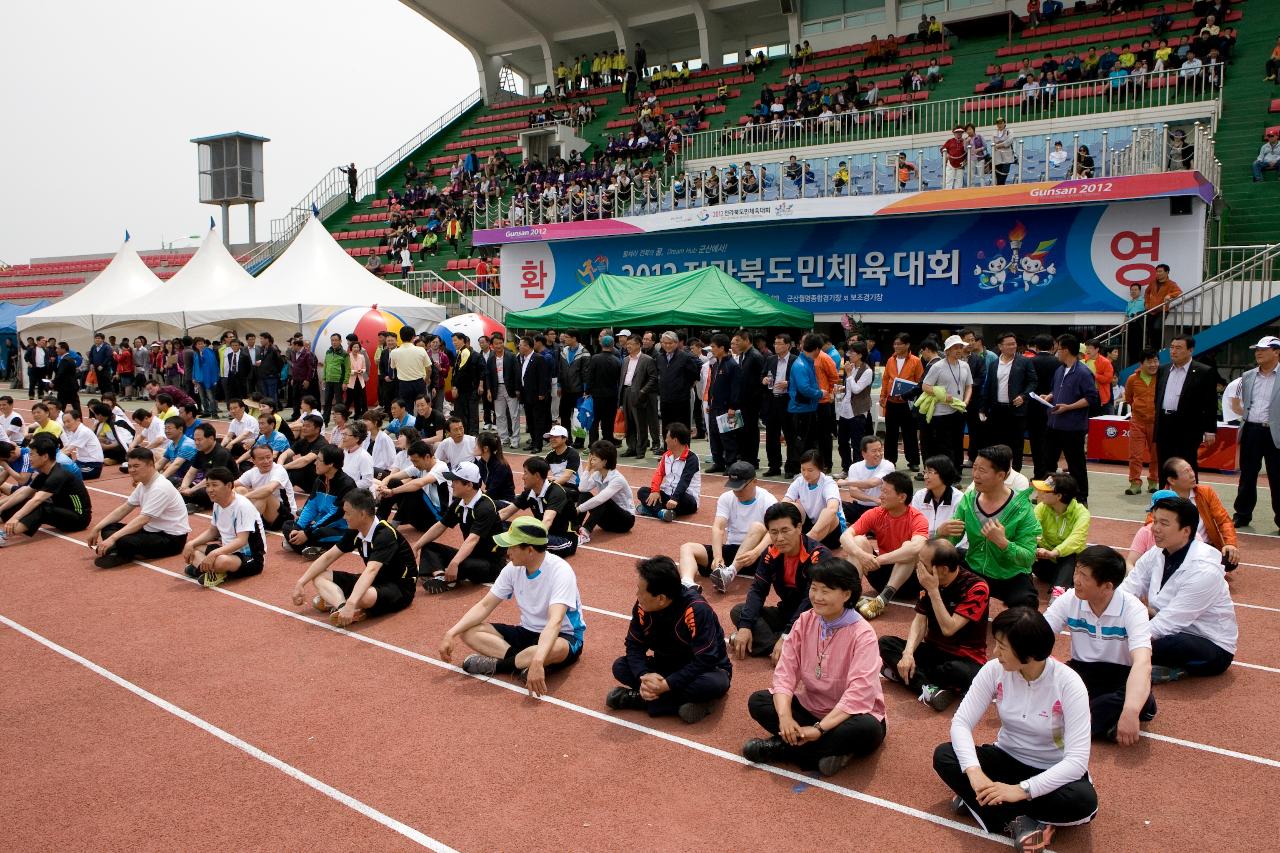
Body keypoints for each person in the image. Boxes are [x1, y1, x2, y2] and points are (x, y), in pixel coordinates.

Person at [933, 608, 1098, 851]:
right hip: (1005, 759)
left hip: (1050, 769)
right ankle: (1021, 821)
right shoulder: (993, 670)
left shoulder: (1069, 684)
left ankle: (980, 802)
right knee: (944, 755)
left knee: (1084, 802)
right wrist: (974, 773)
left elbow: (1076, 762)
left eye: (1002, 647)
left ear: (1029, 655)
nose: (995, 652)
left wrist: (1021, 791)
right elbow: (961, 723)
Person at [742, 557, 886, 777]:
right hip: (812, 709)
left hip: (850, 716)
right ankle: (826, 753)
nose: (817, 597)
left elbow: (858, 695)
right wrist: (785, 717)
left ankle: (781, 748)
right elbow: (785, 673)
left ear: (846, 594)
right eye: (814, 589)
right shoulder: (805, 621)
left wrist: (820, 729)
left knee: (867, 729)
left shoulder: (863, 634)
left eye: (826, 591)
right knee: (758, 701)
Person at [438, 516, 584, 696]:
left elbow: (555, 621)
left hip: (564, 636)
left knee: (556, 649)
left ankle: (501, 665)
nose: (507, 552)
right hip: (527, 632)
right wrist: (451, 632)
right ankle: (523, 662)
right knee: (468, 632)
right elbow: (485, 605)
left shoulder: (560, 571)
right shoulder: (512, 569)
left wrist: (537, 661)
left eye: (512, 546)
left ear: (530, 550)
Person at [1043, 545, 1156, 743]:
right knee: (1048, 686)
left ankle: (1078, 726)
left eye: (1084, 576)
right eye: (1076, 571)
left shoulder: (1133, 609)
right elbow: (1039, 634)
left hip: (1121, 676)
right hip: (1083, 671)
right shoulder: (1070, 599)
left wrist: (1130, 711)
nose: (1076, 579)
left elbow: (1142, 662)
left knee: (1133, 698)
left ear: (1107, 586)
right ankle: (1102, 727)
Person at [1120, 495, 1237, 681]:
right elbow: (1127, 589)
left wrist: (1119, 639)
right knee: (1126, 618)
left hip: (1208, 643)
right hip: (1166, 622)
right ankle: (1151, 662)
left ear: (1186, 531)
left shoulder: (1204, 569)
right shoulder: (1156, 553)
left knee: (1168, 644)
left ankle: (1158, 665)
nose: (1155, 529)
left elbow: (1171, 621)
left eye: (1164, 523)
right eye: (1154, 521)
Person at [608, 555, 732, 722]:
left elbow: (706, 659)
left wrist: (666, 685)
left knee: (714, 684)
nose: (637, 594)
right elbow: (634, 645)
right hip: (665, 667)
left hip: (704, 670)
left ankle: (641, 700)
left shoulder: (696, 609)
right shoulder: (642, 606)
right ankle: (682, 704)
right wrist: (643, 676)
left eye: (641, 591)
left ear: (660, 599)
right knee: (620, 667)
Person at [879, 538, 989, 711]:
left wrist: (933, 591)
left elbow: (949, 628)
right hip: (934, 652)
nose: (918, 567)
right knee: (885, 643)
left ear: (942, 569)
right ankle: (929, 688)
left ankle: (905, 676)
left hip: (965, 658)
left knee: (957, 672)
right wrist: (908, 654)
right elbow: (920, 620)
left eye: (923, 563)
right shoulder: (927, 580)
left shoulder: (976, 587)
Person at [292, 488, 417, 625]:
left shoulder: (384, 534)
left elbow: (371, 570)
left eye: (347, 513)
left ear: (362, 514)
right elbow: (328, 557)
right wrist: (301, 582)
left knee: (363, 597)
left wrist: (352, 602)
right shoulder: (355, 530)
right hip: (375, 580)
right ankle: (341, 607)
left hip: (399, 587)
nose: (344, 517)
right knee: (318, 576)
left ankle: (348, 604)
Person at [729, 502, 832, 662]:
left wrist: (787, 635)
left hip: (816, 617)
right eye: (774, 532)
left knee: (813, 626)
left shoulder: (818, 555)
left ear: (799, 527)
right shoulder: (770, 553)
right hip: (788, 612)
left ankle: (776, 643)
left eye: (785, 531)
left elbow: (810, 601)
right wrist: (745, 627)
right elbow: (758, 590)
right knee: (740, 612)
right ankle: (784, 647)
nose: (780, 538)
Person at [947, 445, 1040, 608]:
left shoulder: (1023, 509)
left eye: (982, 470)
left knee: (1026, 609)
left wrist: (1004, 543)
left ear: (1001, 475)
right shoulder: (969, 500)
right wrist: (942, 534)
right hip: (974, 567)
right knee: (938, 566)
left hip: (1010, 575)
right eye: (974, 468)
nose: (975, 475)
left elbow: (1028, 558)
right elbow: (952, 540)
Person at [840, 471, 929, 619]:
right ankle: (852, 596)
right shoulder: (876, 513)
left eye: (885, 492)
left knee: (909, 548)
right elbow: (844, 537)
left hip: (908, 584)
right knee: (858, 541)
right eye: (881, 491)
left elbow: (917, 547)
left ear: (902, 497)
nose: (880, 496)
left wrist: (878, 560)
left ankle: (882, 600)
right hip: (880, 576)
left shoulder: (917, 518)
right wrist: (862, 555)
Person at [677, 460, 773, 593]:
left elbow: (773, 532)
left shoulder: (768, 500)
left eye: (741, 487)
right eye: (734, 487)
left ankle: (730, 572)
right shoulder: (726, 498)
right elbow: (718, 527)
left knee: (758, 527)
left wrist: (755, 553)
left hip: (756, 555)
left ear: (754, 482)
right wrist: (717, 556)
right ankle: (687, 583)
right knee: (687, 547)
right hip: (732, 551)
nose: (737, 492)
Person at [85, 447, 190, 568]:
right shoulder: (144, 484)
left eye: (136, 466)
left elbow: (142, 520)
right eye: (129, 466)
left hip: (171, 539)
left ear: (151, 464)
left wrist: (113, 538)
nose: (131, 470)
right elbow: (124, 508)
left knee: (123, 540)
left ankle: (122, 554)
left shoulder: (160, 487)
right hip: (150, 531)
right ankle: (121, 551)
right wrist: (96, 528)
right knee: (108, 527)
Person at [413, 460, 507, 593]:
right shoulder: (459, 503)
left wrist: (455, 562)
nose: (451, 485)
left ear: (468, 485)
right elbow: (441, 525)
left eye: (455, 481)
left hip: (490, 563)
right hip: (471, 555)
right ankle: (441, 577)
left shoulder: (485, 507)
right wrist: (417, 546)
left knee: (461, 563)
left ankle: (446, 578)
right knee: (428, 546)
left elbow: (472, 539)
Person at [0, 435, 92, 545]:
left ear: (44, 457)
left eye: (32, 455)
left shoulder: (58, 474)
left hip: (78, 518)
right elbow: (25, 492)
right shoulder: (44, 473)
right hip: (60, 509)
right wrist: (1, 509)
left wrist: (15, 517)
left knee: (40, 507)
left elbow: (37, 500)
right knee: (16, 506)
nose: (29, 458)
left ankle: (4, 535)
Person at [1042, 334, 1098, 503]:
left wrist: (1069, 407)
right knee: (1048, 462)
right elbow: (1055, 390)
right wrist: (1049, 396)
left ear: (1065, 350)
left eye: (1058, 348)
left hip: (1072, 426)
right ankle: (1047, 493)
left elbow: (1091, 398)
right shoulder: (1060, 369)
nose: (1057, 352)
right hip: (1053, 423)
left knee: (1076, 464)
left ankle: (1081, 497)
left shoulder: (1083, 372)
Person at [1232, 335, 1280, 531]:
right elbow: (1244, 402)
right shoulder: (1248, 375)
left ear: (1277, 352)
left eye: (1263, 349)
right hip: (1252, 429)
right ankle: (1242, 515)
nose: (1258, 352)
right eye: (1256, 349)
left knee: (1278, 477)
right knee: (1247, 476)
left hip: (1275, 432)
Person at [1153, 334, 1218, 475]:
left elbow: (1210, 403)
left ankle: (1188, 496)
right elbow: (1157, 397)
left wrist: (1210, 429)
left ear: (1190, 350)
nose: (1173, 351)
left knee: (1186, 465)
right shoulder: (1163, 369)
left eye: (1178, 348)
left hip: (1188, 426)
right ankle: (1165, 496)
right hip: (1164, 423)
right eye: (1171, 347)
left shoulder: (1203, 371)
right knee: (1165, 465)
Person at [282, 444, 356, 559]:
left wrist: (307, 533)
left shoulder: (347, 485)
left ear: (330, 464)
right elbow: (311, 506)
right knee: (288, 525)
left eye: (319, 460)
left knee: (319, 533)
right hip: (319, 525)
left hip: (340, 528)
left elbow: (335, 515)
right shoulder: (319, 480)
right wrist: (299, 528)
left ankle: (302, 546)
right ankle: (312, 548)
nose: (315, 463)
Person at [502, 456, 578, 557]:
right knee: (499, 526)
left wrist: (526, 538)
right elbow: (505, 512)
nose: (523, 477)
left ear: (537, 476)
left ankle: (513, 551)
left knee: (523, 541)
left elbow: (547, 521)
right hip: (543, 533)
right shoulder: (530, 492)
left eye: (526, 473)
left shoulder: (556, 492)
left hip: (564, 540)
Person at [982, 332, 1036, 472]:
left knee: (1016, 444)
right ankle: (999, 471)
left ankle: (1015, 472)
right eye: (1009, 344)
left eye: (1014, 343)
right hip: (997, 410)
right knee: (997, 443)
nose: (1013, 346)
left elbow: (1033, 382)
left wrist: (1024, 396)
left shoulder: (1024, 362)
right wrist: (983, 408)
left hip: (1016, 410)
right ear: (1000, 346)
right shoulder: (994, 364)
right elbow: (989, 386)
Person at [1030, 473, 1090, 598]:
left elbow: (1076, 539)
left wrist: (1054, 552)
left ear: (1058, 496)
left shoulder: (1081, 513)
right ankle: (1022, 585)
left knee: (1070, 554)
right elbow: (1030, 528)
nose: (1039, 493)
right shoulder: (1042, 507)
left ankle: (1057, 594)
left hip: (1069, 567)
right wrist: (1033, 547)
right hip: (1043, 565)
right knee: (1024, 545)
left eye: (1045, 491)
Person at [921, 335, 972, 469]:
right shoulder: (938, 366)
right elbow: (925, 386)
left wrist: (966, 401)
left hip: (959, 410)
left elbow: (968, 386)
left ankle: (957, 471)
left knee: (958, 442)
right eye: (955, 347)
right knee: (944, 444)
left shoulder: (965, 366)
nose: (959, 350)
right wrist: (943, 396)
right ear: (947, 350)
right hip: (941, 412)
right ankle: (947, 473)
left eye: (961, 347)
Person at [783, 449, 847, 550]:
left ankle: (803, 546)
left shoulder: (828, 483)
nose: (806, 474)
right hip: (811, 525)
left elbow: (832, 508)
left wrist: (812, 534)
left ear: (820, 469)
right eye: (803, 469)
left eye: (810, 470)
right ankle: (800, 543)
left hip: (831, 529)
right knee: (791, 507)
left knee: (829, 513)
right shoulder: (799, 481)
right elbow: (785, 501)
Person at [575, 439, 636, 543]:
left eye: (594, 459)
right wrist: (587, 469)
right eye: (591, 459)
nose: (591, 461)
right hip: (607, 522)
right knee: (584, 495)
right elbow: (582, 488)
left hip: (624, 522)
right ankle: (575, 527)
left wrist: (578, 509)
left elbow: (600, 499)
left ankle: (585, 532)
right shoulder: (597, 475)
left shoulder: (617, 479)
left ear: (604, 461)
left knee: (603, 500)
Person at [637, 422, 700, 522]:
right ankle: (662, 513)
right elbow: (659, 474)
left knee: (685, 500)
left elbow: (684, 481)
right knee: (642, 491)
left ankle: (652, 509)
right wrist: (655, 491)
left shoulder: (692, 458)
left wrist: (674, 499)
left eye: (666, 437)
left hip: (684, 498)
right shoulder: (666, 456)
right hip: (667, 495)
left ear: (675, 440)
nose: (665, 440)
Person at [880, 333, 923, 473]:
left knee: (909, 433)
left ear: (907, 345)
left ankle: (913, 461)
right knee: (890, 433)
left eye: (899, 344)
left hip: (907, 402)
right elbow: (885, 379)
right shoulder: (890, 360)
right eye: (895, 344)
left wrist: (912, 396)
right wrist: (883, 396)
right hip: (892, 402)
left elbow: (920, 382)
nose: (896, 346)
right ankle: (889, 461)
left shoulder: (916, 361)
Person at [236, 443, 297, 531]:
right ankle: (237, 523)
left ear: (273, 456)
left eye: (268, 457)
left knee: (265, 494)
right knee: (239, 490)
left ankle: (245, 528)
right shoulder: (252, 472)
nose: (266, 461)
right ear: (253, 460)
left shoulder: (279, 469)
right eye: (261, 459)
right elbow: (232, 485)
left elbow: (269, 489)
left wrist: (244, 497)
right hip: (264, 514)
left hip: (284, 516)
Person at [1124, 349, 1161, 494]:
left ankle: (1153, 482)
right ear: (1141, 363)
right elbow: (1129, 398)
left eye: (1156, 361)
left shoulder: (1162, 377)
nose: (1153, 364)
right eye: (1149, 361)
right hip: (1137, 421)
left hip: (1157, 422)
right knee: (1135, 454)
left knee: (1156, 454)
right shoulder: (1132, 379)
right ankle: (1135, 483)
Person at [705, 333, 741, 473]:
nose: (711, 349)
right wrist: (709, 404)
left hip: (727, 408)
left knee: (728, 437)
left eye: (713, 347)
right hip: (715, 406)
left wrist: (733, 406)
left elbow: (736, 388)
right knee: (714, 436)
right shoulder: (715, 364)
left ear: (722, 348)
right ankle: (718, 462)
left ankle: (730, 464)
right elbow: (712, 386)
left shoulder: (732, 365)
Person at [175, 422, 232, 510]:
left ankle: (197, 504)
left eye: (199, 440)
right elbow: (191, 472)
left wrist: (191, 490)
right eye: (195, 440)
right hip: (207, 484)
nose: (196, 443)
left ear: (211, 438)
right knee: (175, 484)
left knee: (206, 492)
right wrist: (184, 487)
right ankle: (191, 501)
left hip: (221, 485)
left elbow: (213, 478)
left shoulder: (221, 453)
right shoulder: (200, 452)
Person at [839, 435, 895, 523]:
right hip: (859, 507)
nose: (878, 454)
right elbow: (853, 492)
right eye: (874, 451)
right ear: (863, 453)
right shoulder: (854, 467)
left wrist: (846, 483)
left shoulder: (888, 466)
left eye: (880, 450)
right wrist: (874, 499)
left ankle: (866, 527)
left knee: (877, 520)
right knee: (836, 506)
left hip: (880, 509)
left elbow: (872, 483)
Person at [656, 331, 700, 442]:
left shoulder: (685, 357)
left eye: (670, 343)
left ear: (676, 343)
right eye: (664, 343)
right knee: (667, 428)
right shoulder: (660, 358)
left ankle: (683, 456)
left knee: (682, 429)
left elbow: (694, 375)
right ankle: (668, 455)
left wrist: (684, 386)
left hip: (681, 400)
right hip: (665, 399)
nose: (667, 345)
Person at [620, 335, 658, 460]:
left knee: (640, 423)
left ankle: (640, 449)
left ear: (638, 345)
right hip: (626, 392)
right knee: (629, 423)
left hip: (639, 394)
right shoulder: (625, 360)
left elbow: (653, 378)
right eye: (627, 344)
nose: (628, 346)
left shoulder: (647, 359)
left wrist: (643, 391)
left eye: (631, 343)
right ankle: (631, 447)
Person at [486, 332, 522, 449]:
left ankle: (515, 439)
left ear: (503, 343)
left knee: (514, 415)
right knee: (500, 415)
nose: (498, 346)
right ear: (492, 345)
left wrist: (517, 388)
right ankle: (503, 438)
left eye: (500, 343)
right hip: (497, 389)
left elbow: (517, 373)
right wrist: (489, 390)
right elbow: (488, 376)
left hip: (510, 389)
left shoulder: (511, 356)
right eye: (496, 344)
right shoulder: (491, 358)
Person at [586, 335, 622, 446]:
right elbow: (619, 379)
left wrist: (587, 391)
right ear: (612, 345)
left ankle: (593, 443)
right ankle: (607, 443)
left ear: (601, 344)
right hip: (611, 395)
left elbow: (590, 377)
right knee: (608, 421)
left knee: (594, 420)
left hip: (596, 395)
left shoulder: (595, 358)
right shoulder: (617, 361)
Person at [390, 326, 431, 403]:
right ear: (413, 337)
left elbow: (393, 367)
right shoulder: (421, 350)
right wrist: (427, 379)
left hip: (403, 384)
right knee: (422, 407)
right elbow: (429, 369)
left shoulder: (394, 352)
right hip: (419, 383)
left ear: (400, 336)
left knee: (407, 409)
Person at [60, 409, 104, 480]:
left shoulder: (84, 432)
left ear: (78, 420)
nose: (66, 424)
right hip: (80, 463)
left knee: (62, 474)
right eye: (64, 422)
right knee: (58, 470)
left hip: (92, 466)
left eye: (68, 421)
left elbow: (68, 450)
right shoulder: (74, 431)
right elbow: (66, 447)